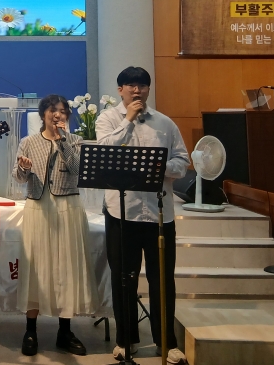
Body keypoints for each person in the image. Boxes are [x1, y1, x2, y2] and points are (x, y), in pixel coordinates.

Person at [95, 67, 190, 365]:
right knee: (124, 278)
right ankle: (126, 340)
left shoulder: (165, 123)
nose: (137, 91)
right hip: (121, 213)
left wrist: (159, 168)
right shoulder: (107, 119)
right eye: (130, 85)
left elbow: (183, 161)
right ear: (120, 90)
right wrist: (128, 119)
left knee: (163, 280)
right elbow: (104, 151)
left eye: (142, 86)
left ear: (148, 89)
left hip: (160, 214)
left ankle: (167, 342)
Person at [12, 94, 98, 357]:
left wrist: (62, 142)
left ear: (67, 116)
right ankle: (30, 330)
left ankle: (65, 331)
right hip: (38, 207)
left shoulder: (75, 141)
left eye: (62, 111)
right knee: (36, 267)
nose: (57, 115)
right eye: (52, 111)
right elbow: (18, 178)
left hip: (67, 207)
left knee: (66, 268)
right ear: (43, 115)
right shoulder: (28, 142)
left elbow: (77, 170)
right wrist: (24, 168)